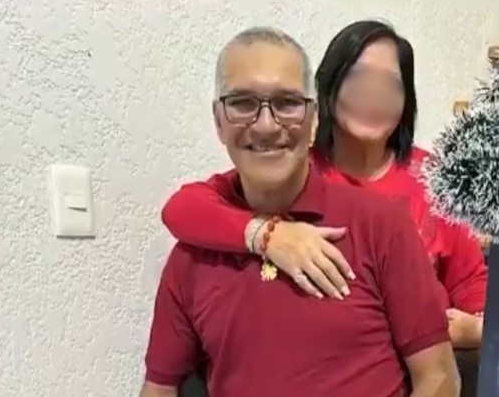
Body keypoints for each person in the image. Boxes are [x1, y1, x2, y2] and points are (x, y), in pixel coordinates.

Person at [141, 26, 460, 397]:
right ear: (218, 121)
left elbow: (439, 378)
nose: (265, 125)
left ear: (314, 118)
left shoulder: (381, 225)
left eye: (287, 103)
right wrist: (265, 234)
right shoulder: (191, 256)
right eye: (242, 103)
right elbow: (158, 390)